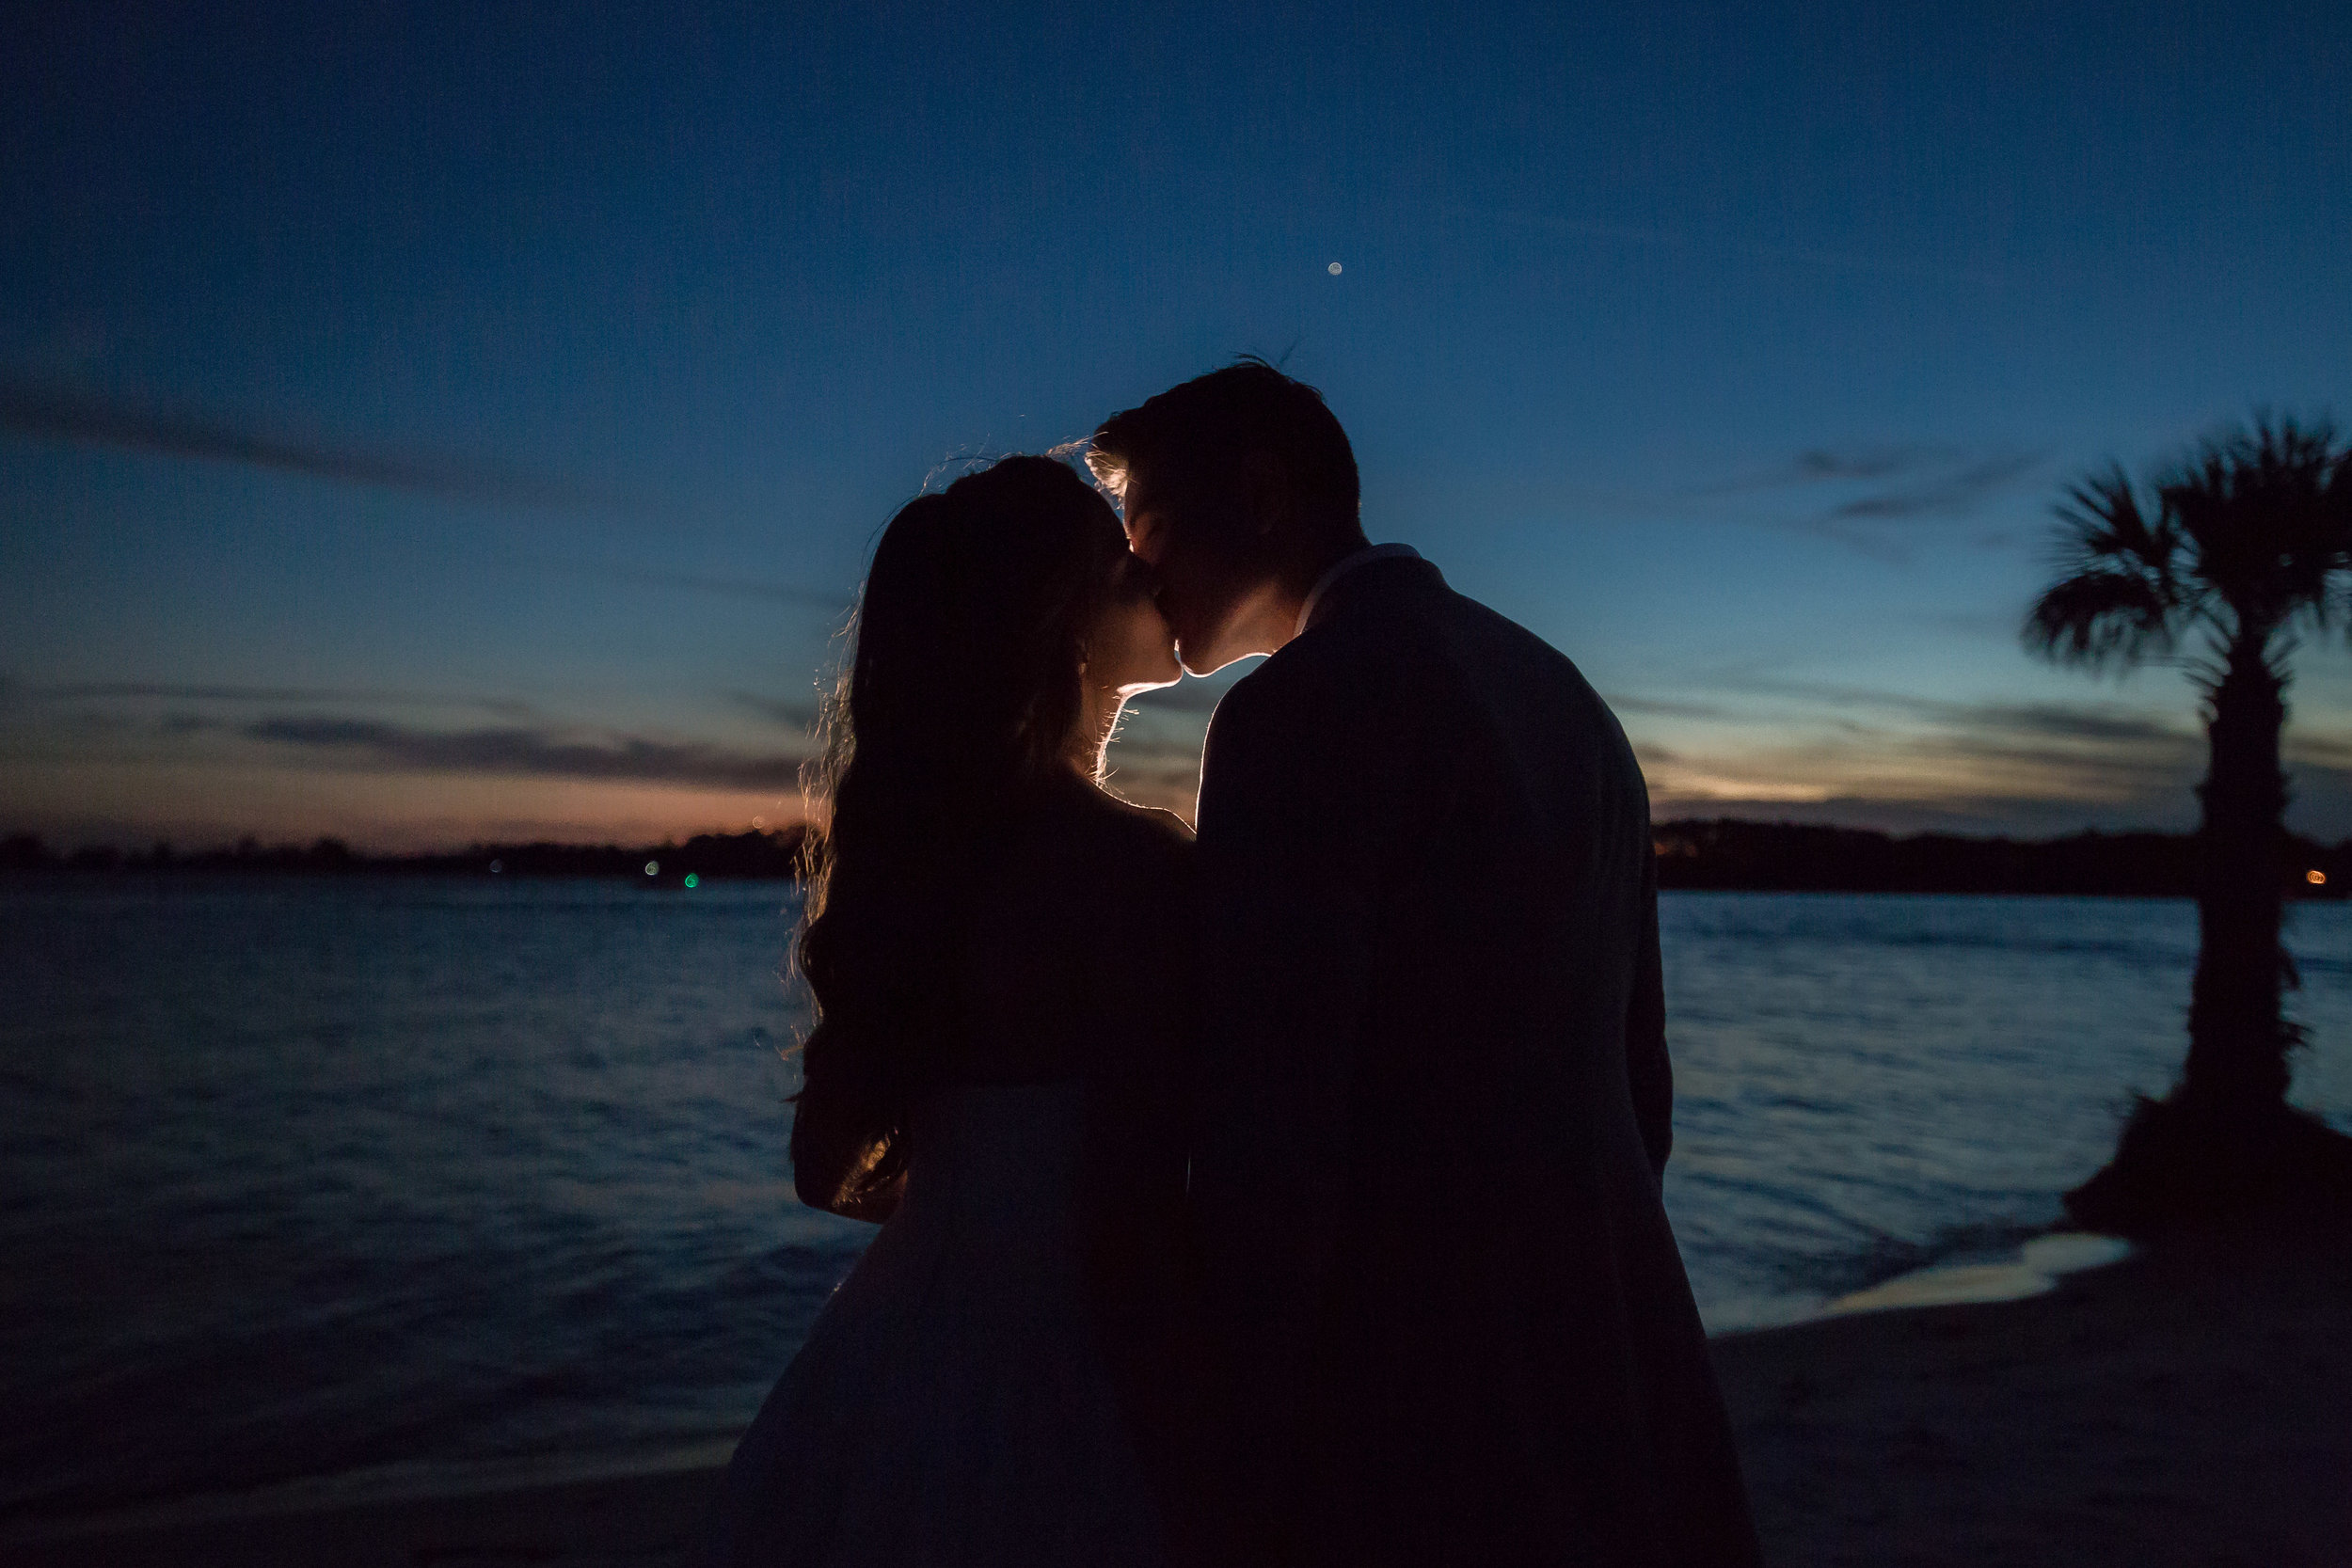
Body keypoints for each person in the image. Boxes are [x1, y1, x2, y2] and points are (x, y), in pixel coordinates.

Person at [1089, 361, 1762, 1567]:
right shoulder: (1566, 696)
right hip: (1606, 1332)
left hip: (1404, 1372)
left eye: (1152, 532)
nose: (1139, 575)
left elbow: (1274, 1118)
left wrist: (1235, 1412)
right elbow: (1639, 1070)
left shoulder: (1297, 710)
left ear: (1260, 494)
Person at [706, 455, 1200, 1568]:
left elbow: (822, 1168)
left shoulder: (925, 868)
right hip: (1069, 1366)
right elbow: (1131, 1210)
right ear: (1063, 623)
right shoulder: (1134, 867)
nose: (1154, 574)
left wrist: (969, 1210)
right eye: (1122, 566)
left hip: (894, 1356)